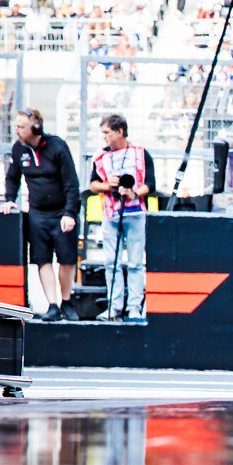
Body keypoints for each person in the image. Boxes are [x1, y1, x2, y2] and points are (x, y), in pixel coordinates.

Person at [1, 108, 82, 321]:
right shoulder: (19, 150)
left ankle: (66, 301)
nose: (16, 131)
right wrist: (9, 199)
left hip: (62, 212)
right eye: (16, 126)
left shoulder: (57, 147)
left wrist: (70, 213)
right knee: (42, 259)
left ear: (36, 128)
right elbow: (13, 178)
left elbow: (72, 183)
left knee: (66, 259)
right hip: (38, 213)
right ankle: (52, 305)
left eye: (21, 127)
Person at [86, 113, 155, 322]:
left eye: (107, 132)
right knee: (111, 262)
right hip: (110, 213)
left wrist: (134, 193)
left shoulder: (140, 154)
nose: (104, 137)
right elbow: (93, 184)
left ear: (120, 132)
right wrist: (109, 186)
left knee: (135, 262)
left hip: (135, 213)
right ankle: (114, 306)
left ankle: (134, 306)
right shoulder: (100, 156)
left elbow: (150, 184)